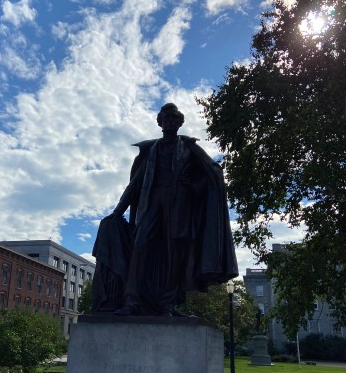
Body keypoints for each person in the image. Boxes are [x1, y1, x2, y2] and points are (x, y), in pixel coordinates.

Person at [92, 103, 238, 315]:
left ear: (180, 123)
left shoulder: (189, 148)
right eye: (167, 117)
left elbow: (214, 173)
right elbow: (134, 185)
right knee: (140, 246)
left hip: (179, 207)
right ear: (159, 122)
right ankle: (132, 301)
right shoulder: (150, 150)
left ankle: (167, 303)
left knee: (175, 255)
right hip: (152, 203)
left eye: (174, 118)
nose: (170, 121)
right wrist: (117, 212)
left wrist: (194, 186)